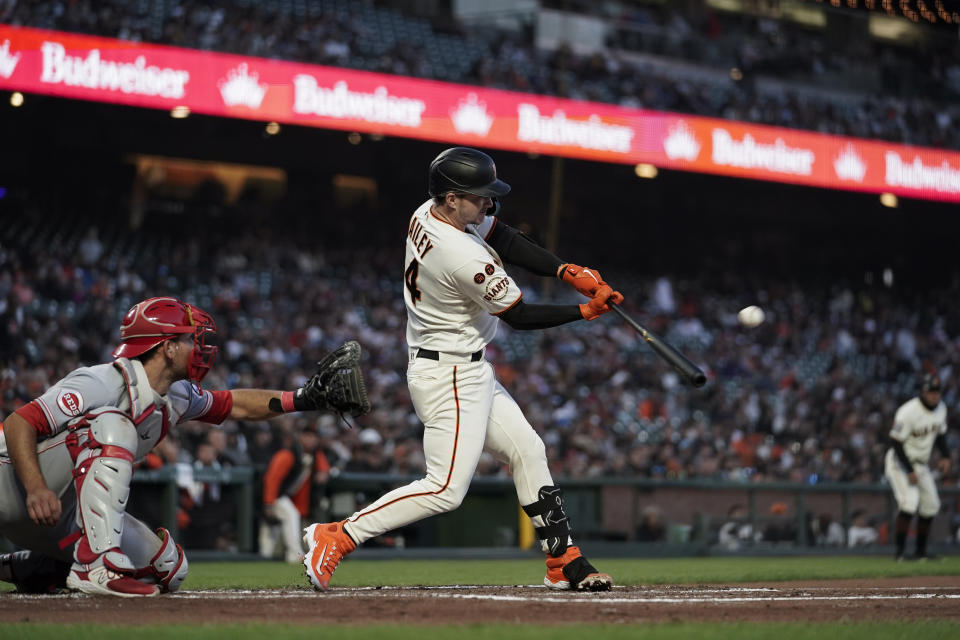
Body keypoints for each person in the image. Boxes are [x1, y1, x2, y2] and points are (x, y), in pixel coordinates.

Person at [303, 146, 623, 592]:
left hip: (463, 366)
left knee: (527, 450)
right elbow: (518, 315)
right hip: (449, 375)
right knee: (445, 489)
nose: (488, 202)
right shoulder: (462, 254)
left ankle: (563, 559)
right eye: (480, 196)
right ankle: (338, 534)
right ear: (452, 198)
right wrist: (583, 312)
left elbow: (505, 236)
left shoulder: (428, 210)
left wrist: (565, 269)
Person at [0, 296, 366, 596]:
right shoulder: (101, 381)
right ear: (167, 347)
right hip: (15, 486)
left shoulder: (176, 394)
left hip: (57, 512)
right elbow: (19, 422)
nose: (198, 347)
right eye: (191, 339)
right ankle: (97, 567)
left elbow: (233, 404)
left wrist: (302, 398)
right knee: (114, 425)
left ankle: (33, 566)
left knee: (169, 568)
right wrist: (34, 488)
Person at [885, 373, 951, 561]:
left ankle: (920, 553)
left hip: (920, 464)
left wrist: (945, 455)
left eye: (937, 391)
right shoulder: (908, 411)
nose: (934, 395)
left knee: (931, 505)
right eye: (931, 391)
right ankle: (899, 554)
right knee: (910, 503)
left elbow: (940, 435)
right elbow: (896, 443)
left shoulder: (941, 409)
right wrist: (909, 470)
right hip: (900, 461)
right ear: (923, 391)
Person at [259, 426, 330, 563]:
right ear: (301, 437)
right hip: (274, 496)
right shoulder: (288, 454)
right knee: (289, 516)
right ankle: (294, 554)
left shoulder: (315, 455)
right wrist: (268, 503)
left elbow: (323, 468)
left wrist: (324, 473)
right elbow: (272, 479)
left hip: (290, 499)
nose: (311, 440)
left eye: (313, 437)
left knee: (276, 530)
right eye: (308, 436)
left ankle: (291, 554)